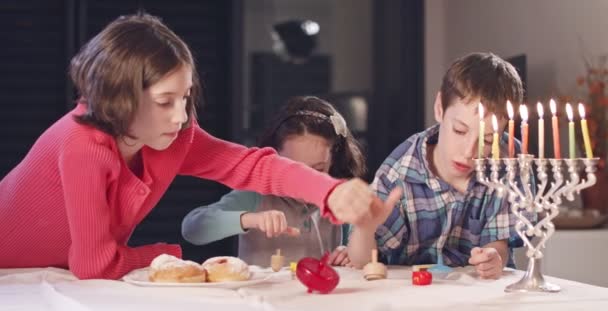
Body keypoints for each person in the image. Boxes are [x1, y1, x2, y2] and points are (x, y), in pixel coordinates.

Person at [0, 13, 400, 280]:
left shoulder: (174, 135)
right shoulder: (81, 144)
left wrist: (332, 191)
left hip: (42, 274)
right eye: (164, 101)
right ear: (119, 99)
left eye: (185, 97)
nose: (180, 116)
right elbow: (93, 264)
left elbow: (254, 166)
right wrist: (165, 251)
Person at [348, 52, 529, 279]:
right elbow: (362, 260)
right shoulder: (399, 172)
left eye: (488, 140)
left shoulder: (509, 161)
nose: (468, 152)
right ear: (439, 108)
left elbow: (499, 242)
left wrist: (494, 257)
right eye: (460, 131)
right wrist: (365, 229)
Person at [182, 96, 366, 267]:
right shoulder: (255, 195)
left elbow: (355, 245)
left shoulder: (337, 199)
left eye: (318, 170)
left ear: (334, 159)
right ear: (273, 159)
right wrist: (249, 219)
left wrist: (349, 252)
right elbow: (193, 229)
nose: (305, 183)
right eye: (292, 171)